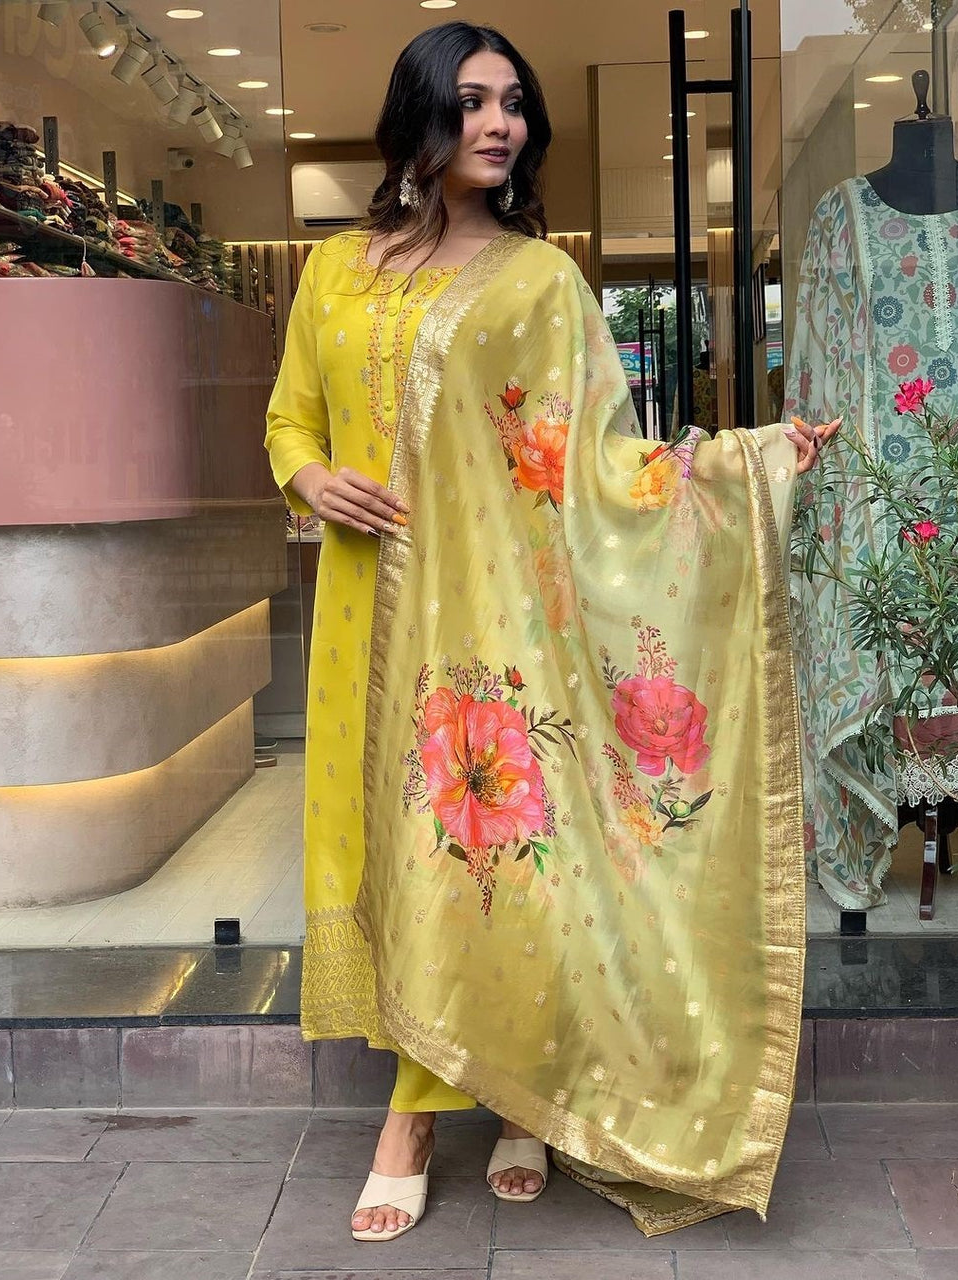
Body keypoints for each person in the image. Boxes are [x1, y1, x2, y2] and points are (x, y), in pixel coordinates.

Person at [265, 21, 836, 1244]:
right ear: (416, 112)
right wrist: (311, 480)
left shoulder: (541, 281)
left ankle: (442, 1115)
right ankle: (482, 1094)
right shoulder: (332, 273)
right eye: (471, 100)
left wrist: (741, 464)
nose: (499, 122)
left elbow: (596, 465)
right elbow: (288, 422)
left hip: (491, 624)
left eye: (513, 103)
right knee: (380, 854)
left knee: (475, 858)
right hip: (363, 615)